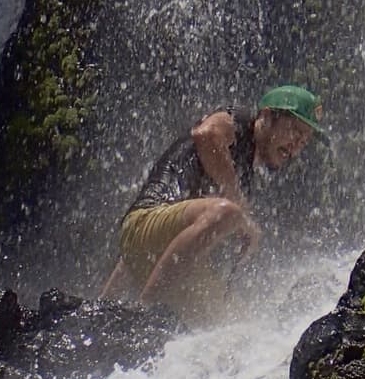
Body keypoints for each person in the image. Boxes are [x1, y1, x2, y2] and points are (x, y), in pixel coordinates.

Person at [99, 85, 326, 325]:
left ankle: (131, 321)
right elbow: (205, 134)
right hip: (146, 217)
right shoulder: (239, 120)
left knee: (240, 327)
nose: (298, 143)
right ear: (267, 116)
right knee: (227, 213)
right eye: (294, 130)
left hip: (164, 259)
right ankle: (144, 320)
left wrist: (104, 304)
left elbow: (139, 251)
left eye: (305, 138)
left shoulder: (243, 171)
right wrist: (239, 211)